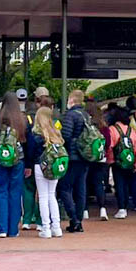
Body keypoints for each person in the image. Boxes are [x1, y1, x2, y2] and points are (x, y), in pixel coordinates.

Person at [0, 92, 30, 238]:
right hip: (18, 160)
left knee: (0, 192)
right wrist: (28, 164)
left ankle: (1, 229)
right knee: (15, 193)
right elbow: (28, 143)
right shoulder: (22, 120)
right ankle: (13, 230)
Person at [29, 106, 65, 238]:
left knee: (43, 197)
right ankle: (57, 227)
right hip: (54, 166)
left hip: (40, 165)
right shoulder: (56, 133)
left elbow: (31, 152)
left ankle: (46, 228)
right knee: (52, 195)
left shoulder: (36, 134)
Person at [59, 89, 91, 233]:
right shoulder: (86, 115)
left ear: (71, 100)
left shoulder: (70, 115)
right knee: (80, 189)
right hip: (85, 156)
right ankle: (79, 220)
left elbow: (66, 135)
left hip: (72, 156)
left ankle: (73, 218)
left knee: (64, 187)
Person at [107, 107, 136, 220]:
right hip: (129, 160)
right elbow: (135, 148)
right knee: (126, 184)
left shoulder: (112, 129)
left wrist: (110, 160)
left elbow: (110, 146)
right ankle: (126, 205)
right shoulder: (131, 131)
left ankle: (121, 208)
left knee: (119, 183)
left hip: (117, 161)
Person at [85, 100, 111, 221]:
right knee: (99, 183)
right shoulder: (104, 127)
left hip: (87, 158)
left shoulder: (86, 126)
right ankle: (103, 209)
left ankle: (85, 210)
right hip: (101, 158)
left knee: (85, 183)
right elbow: (108, 143)